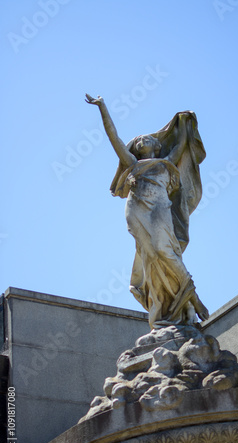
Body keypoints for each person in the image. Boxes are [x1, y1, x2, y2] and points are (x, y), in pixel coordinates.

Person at [86, 94, 209, 329]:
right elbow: (114, 138)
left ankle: (192, 297)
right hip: (137, 210)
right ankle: (171, 304)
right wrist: (102, 107)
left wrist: (184, 121)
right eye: (139, 139)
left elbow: (182, 144)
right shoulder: (133, 164)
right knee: (150, 256)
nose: (142, 139)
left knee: (165, 250)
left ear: (157, 146)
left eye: (147, 138)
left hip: (161, 208)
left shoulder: (166, 163)